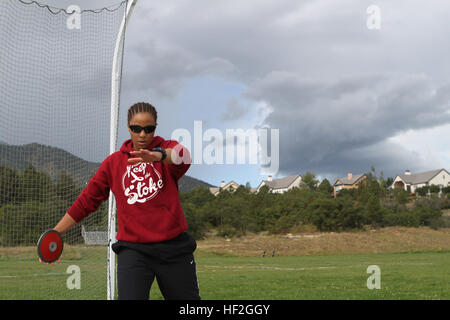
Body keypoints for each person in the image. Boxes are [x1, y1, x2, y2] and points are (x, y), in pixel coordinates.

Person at [47, 102, 200, 300]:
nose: (142, 134)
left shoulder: (166, 150)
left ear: (155, 127)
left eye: (149, 128)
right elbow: (86, 201)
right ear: (128, 128)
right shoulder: (113, 164)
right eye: (136, 129)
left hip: (174, 249)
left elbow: (183, 156)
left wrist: (158, 155)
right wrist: (55, 233)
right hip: (134, 251)